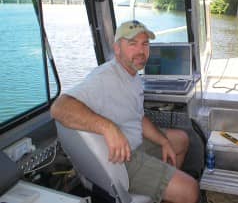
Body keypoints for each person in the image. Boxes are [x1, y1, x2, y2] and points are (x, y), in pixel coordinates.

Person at [50, 20, 200, 203]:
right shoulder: (104, 78)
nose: (141, 51)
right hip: (122, 158)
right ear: (117, 48)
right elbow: (59, 107)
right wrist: (109, 128)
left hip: (133, 139)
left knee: (181, 140)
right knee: (191, 189)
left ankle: (165, 193)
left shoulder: (133, 75)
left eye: (145, 44)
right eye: (132, 44)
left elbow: (137, 116)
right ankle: (175, 191)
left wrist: (163, 141)